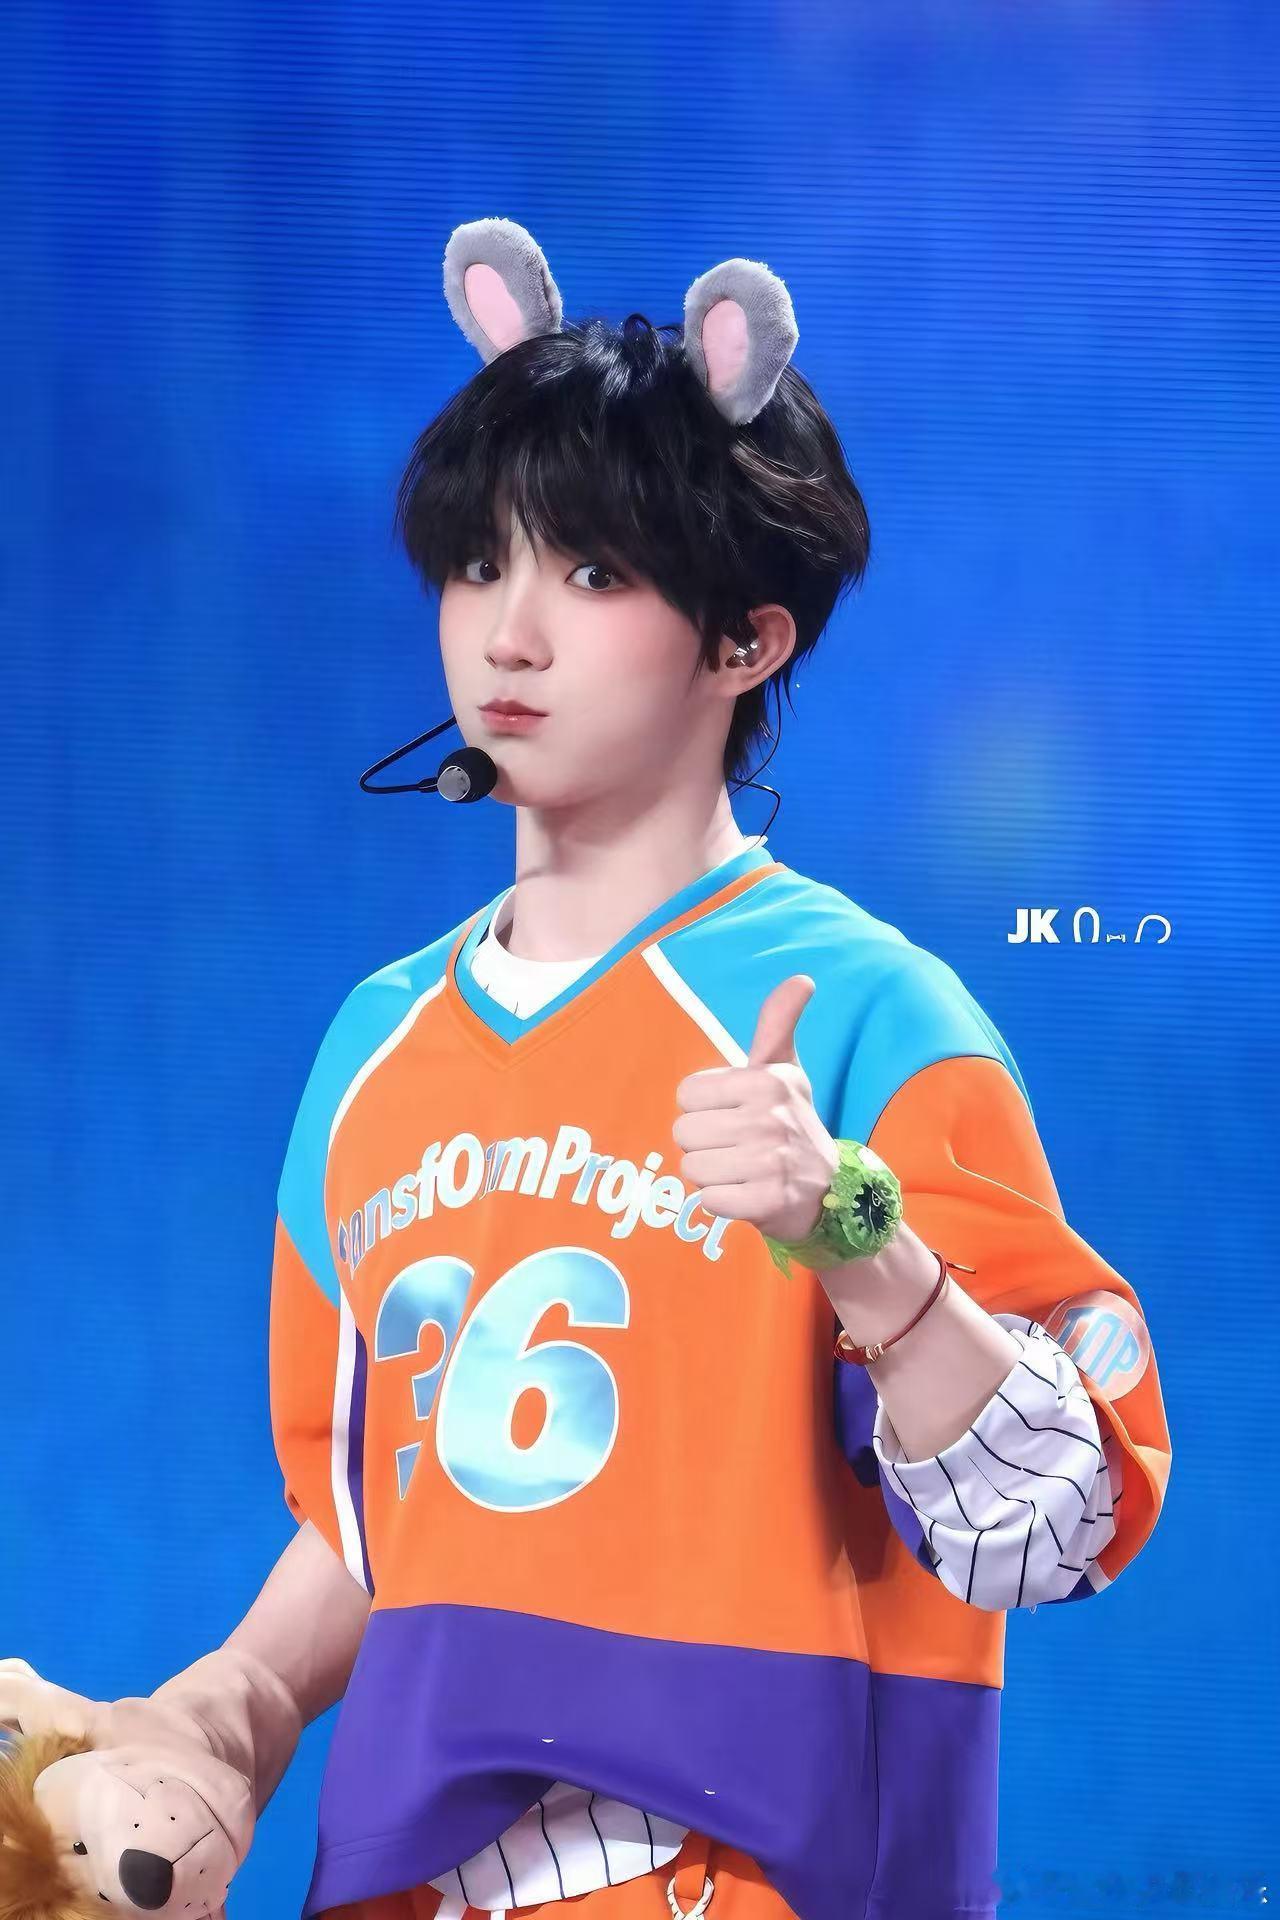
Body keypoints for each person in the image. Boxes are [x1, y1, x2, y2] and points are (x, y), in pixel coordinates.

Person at [0, 220, 1171, 1920]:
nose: (509, 635)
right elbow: (389, 1516)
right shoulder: (376, 1046)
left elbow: (1059, 1525)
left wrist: (858, 1239)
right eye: (480, 566)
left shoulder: (876, 1020)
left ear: (746, 642)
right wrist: (224, 1721)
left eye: (597, 576)